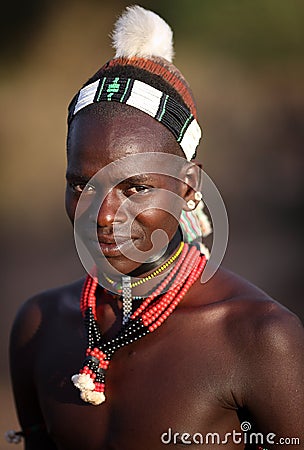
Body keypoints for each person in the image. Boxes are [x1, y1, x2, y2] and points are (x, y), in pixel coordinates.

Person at [8, 5, 304, 450]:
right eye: (81, 184)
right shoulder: (39, 327)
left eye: (135, 188)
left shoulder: (260, 341)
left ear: (188, 187)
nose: (103, 215)